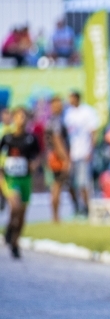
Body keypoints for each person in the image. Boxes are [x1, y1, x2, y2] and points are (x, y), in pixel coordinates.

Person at [0, 107, 40, 258]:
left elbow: (38, 155)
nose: (21, 120)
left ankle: (15, 242)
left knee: (22, 215)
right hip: (10, 178)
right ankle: (10, 227)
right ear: (14, 119)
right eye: (18, 117)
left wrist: (34, 164)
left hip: (25, 179)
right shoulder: (7, 138)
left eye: (24, 117)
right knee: (15, 206)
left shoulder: (31, 139)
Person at [64, 91, 99, 216]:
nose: (70, 101)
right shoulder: (68, 113)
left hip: (84, 153)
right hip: (71, 155)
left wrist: (90, 150)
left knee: (83, 183)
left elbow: (94, 132)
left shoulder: (87, 112)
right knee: (70, 184)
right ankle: (77, 208)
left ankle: (87, 209)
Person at [45, 96, 71, 223]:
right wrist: (65, 159)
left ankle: (55, 216)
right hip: (57, 157)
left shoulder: (52, 120)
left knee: (57, 186)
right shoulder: (56, 121)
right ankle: (55, 217)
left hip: (53, 155)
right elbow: (57, 140)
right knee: (57, 185)